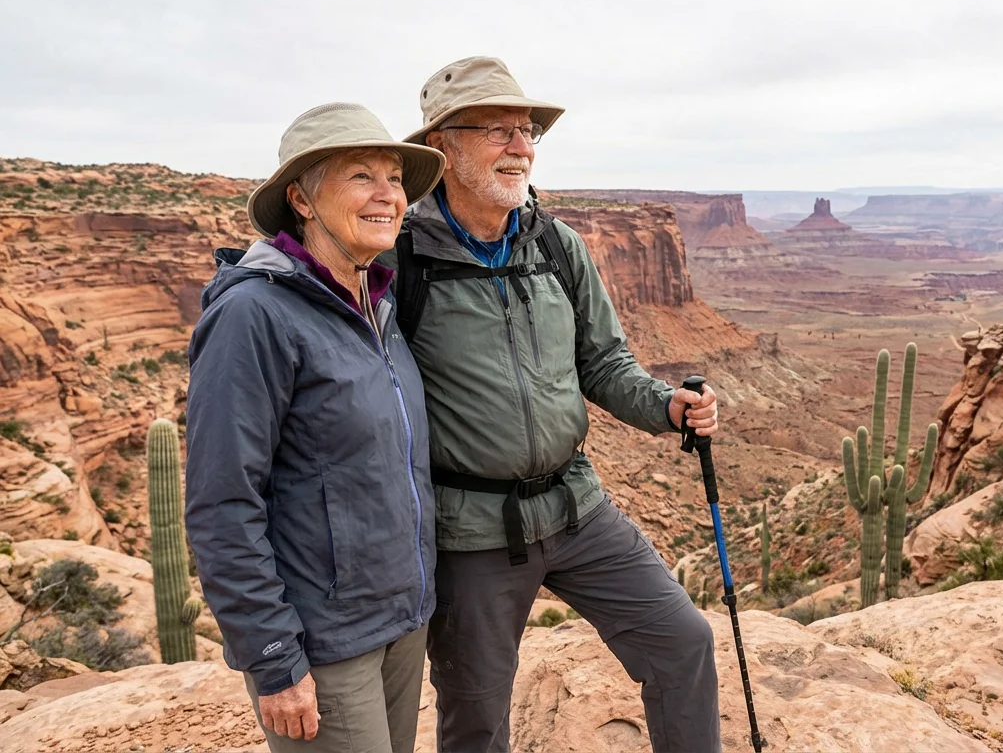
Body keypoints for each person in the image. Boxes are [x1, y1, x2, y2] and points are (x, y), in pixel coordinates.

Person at [383, 56, 722, 752]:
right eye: (498, 130)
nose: (521, 147)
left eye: (529, 130)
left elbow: (603, 362)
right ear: (441, 146)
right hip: (471, 533)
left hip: (576, 507)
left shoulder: (555, 244)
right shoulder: (400, 260)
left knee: (682, 642)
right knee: (476, 717)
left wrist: (667, 408)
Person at [184, 102, 446, 752]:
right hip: (324, 643)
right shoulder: (255, 313)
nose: (389, 194)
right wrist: (273, 656)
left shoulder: (376, 304)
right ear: (301, 199)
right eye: (362, 176)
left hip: (400, 625)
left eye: (394, 177)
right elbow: (222, 501)